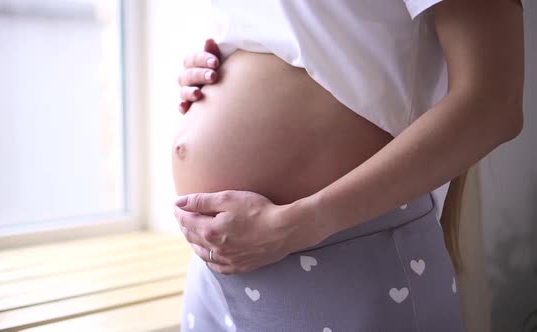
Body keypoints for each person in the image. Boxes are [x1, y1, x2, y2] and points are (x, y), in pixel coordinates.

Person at [172, 0, 525, 331]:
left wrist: (300, 224)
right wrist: (217, 62)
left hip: (343, 253)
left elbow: (493, 104)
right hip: (215, 271)